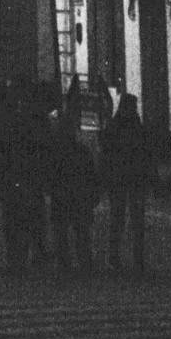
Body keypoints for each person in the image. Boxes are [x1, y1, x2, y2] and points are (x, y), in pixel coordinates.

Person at [99, 92, 153, 275]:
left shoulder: (115, 126)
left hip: (122, 180)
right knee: (128, 220)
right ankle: (130, 258)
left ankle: (121, 257)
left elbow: (105, 154)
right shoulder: (134, 127)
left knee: (121, 220)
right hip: (129, 180)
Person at [46, 118, 102, 275]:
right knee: (81, 232)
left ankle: (65, 264)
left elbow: (50, 175)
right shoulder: (82, 151)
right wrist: (94, 194)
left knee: (62, 232)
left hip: (63, 196)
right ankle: (85, 263)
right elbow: (91, 175)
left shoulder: (56, 152)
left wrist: (51, 189)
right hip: (79, 197)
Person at [0, 109, 47, 275]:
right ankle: (25, 258)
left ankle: (16, 260)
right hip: (24, 187)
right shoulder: (30, 146)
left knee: (14, 226)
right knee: (26, 224)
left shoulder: (11, 145)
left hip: (16, 188)